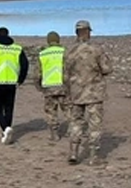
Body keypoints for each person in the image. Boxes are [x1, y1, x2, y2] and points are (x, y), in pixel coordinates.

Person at [64, 19, 113, 165]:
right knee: (94, 125)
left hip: (76, 93)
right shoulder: (96, 49)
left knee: (76, 123)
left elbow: (64, 74)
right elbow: (107, 69)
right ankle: (93, 156)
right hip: (93, 93)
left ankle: (73, 152)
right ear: (87, 32)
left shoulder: (69, 51)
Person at [0, 26, 28, 145]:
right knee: (9, 108)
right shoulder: (17, 48)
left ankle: (5, 128)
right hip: (12, 82)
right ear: (8, 35)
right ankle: (6, 130)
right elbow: (25, 65)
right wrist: (20, 80)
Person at [38, 31, 67, 141]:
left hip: (49, 86)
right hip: (64, 85)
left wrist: (39, 86)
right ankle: (73, 131)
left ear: (48, 41)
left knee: (51, 111)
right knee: (68, 110)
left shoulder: (43, 54)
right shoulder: (65, 52)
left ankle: (54, 133)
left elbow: (38, 73)